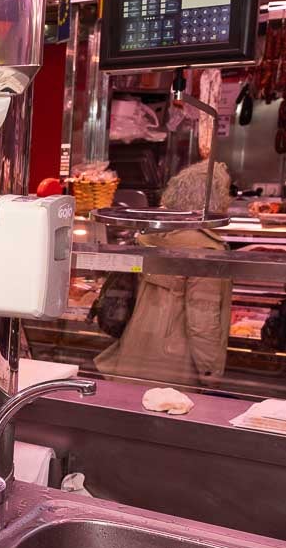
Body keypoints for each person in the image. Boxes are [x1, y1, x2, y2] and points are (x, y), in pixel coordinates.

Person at [94, 159, 233, 387]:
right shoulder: (205, 250)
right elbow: (203, 322)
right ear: (215, 200)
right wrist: (210, 374)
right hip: (174, 364)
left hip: (135, 350)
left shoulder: (150, 236)